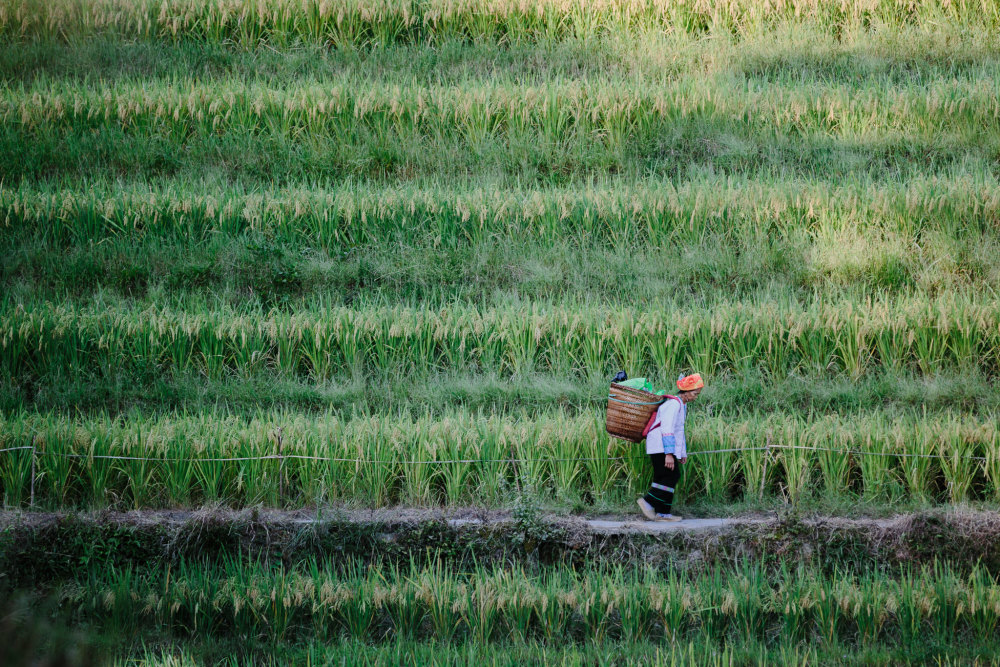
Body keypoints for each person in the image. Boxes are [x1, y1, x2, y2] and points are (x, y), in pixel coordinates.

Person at [636, 373, 703, 522]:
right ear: (685, 392)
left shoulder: (681, 404)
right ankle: (648, 502)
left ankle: (663, 513)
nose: (695, 396)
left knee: (663, 477)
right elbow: (667, 428)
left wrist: (681, 453)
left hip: (663, 446)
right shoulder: (673, 404)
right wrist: (669, 453)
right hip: (660, 445)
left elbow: (679, 430)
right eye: (694, 393)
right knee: (671, 476)